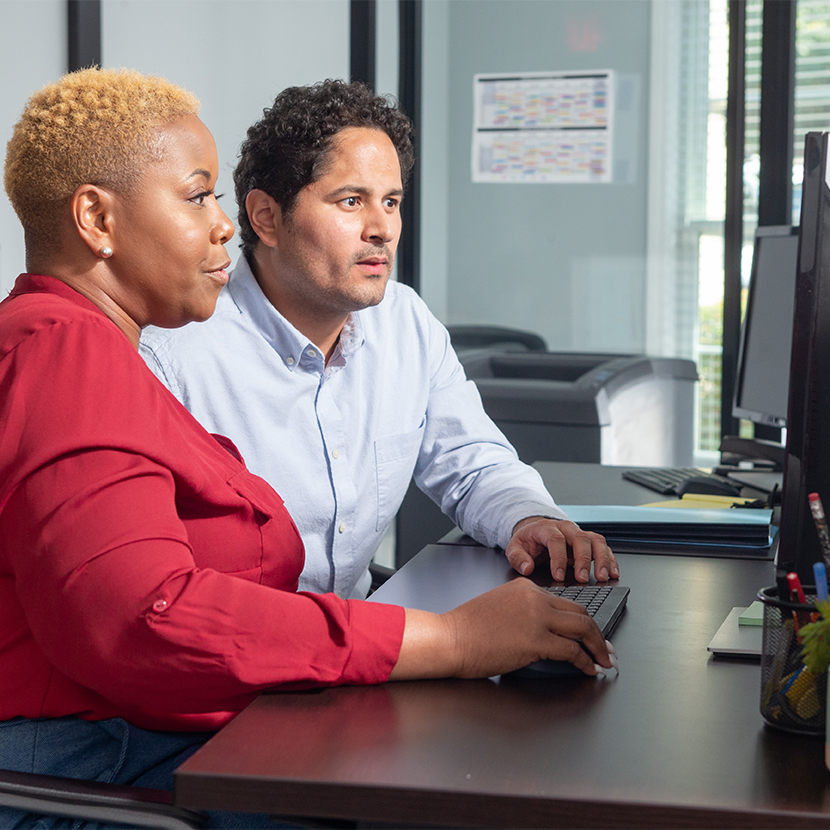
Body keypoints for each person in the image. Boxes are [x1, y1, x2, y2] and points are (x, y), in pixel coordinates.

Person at [0, 68, 616, 828]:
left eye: (390, 202)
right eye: (198, 197)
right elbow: (148, 617)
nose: (219, 224)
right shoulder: (77, 354)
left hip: (162, 723)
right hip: (95, 759)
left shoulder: (75, 344)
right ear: (97, 218)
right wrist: (448, 639)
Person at [140, 79, 620, 601]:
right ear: (266, 217)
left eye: (391, 202)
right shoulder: (172, 356)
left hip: (363, 644)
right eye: (351, 201)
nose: (382, 229)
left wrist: (528, 517)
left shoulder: (405, 321)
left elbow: (471, 460)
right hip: (241, 662)